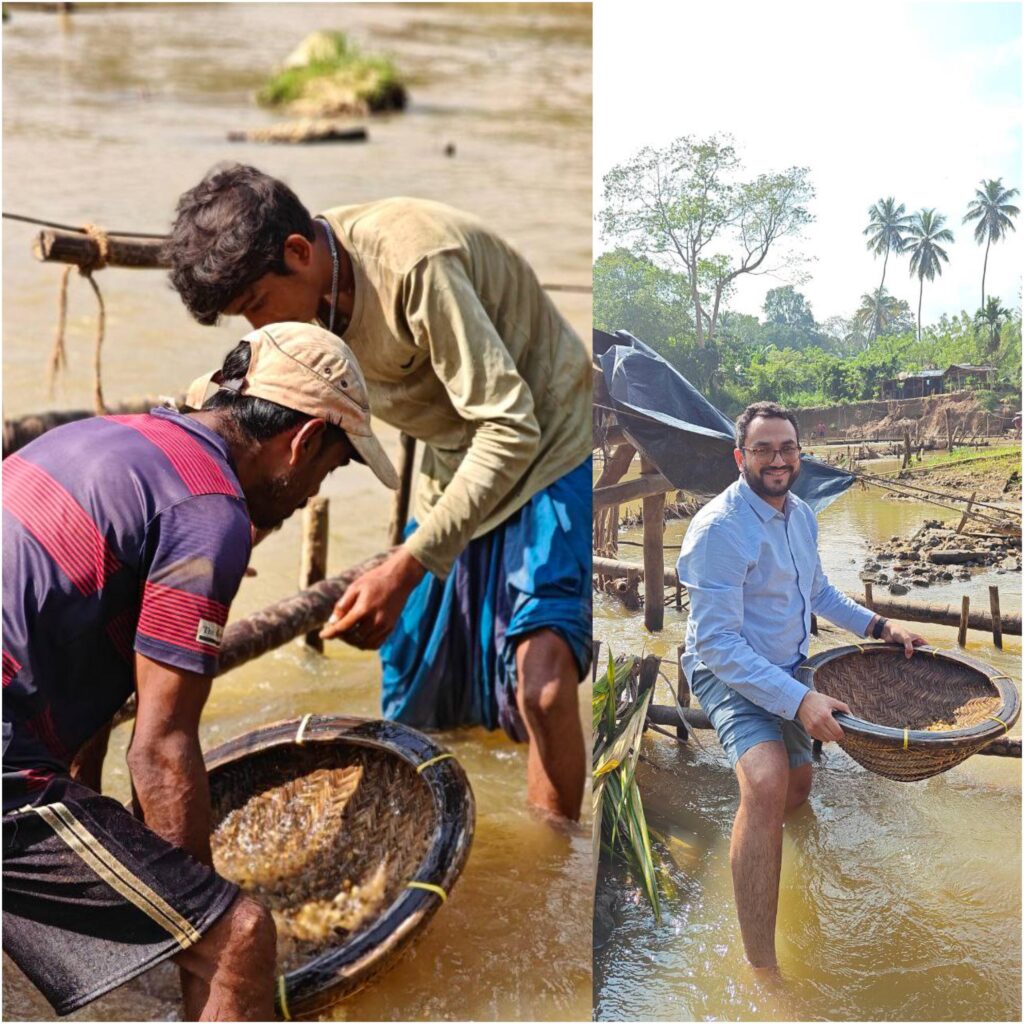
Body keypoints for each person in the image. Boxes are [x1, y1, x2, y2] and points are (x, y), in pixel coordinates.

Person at [164, 164, 592, 821]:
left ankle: (556, 868)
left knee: (543, 686)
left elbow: (511, 425)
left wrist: (405, 564)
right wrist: (237, 519)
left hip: (548, 437)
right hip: (454, 458)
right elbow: (263, 422)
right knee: (411, 677)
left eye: (253, 305)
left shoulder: (415, 264)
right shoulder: (299, 289)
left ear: (299, 254)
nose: (253, 326)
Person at [2, 323, 397, 1020]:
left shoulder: (109, 438)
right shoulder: (207, 511)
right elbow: (159, 748)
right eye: (328, 471)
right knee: (239, 939)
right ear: (302, 442)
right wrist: (197, 920)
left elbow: (83, 661)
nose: (310, 493)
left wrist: (117, 841)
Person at [675, 401, 925, 970]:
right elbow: (716, 644)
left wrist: (882, 627)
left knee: (798, 789)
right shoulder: (719, 529)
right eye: (763, 449)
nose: (777, 459)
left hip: (788, 665)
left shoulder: (802, 514)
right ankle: (762, 968)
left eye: (786, 447)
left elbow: (820, 593)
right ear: (741, 457)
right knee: (764, 784)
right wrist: (800, 699)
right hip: (728, 671)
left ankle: (757, 853)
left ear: (799, 454)